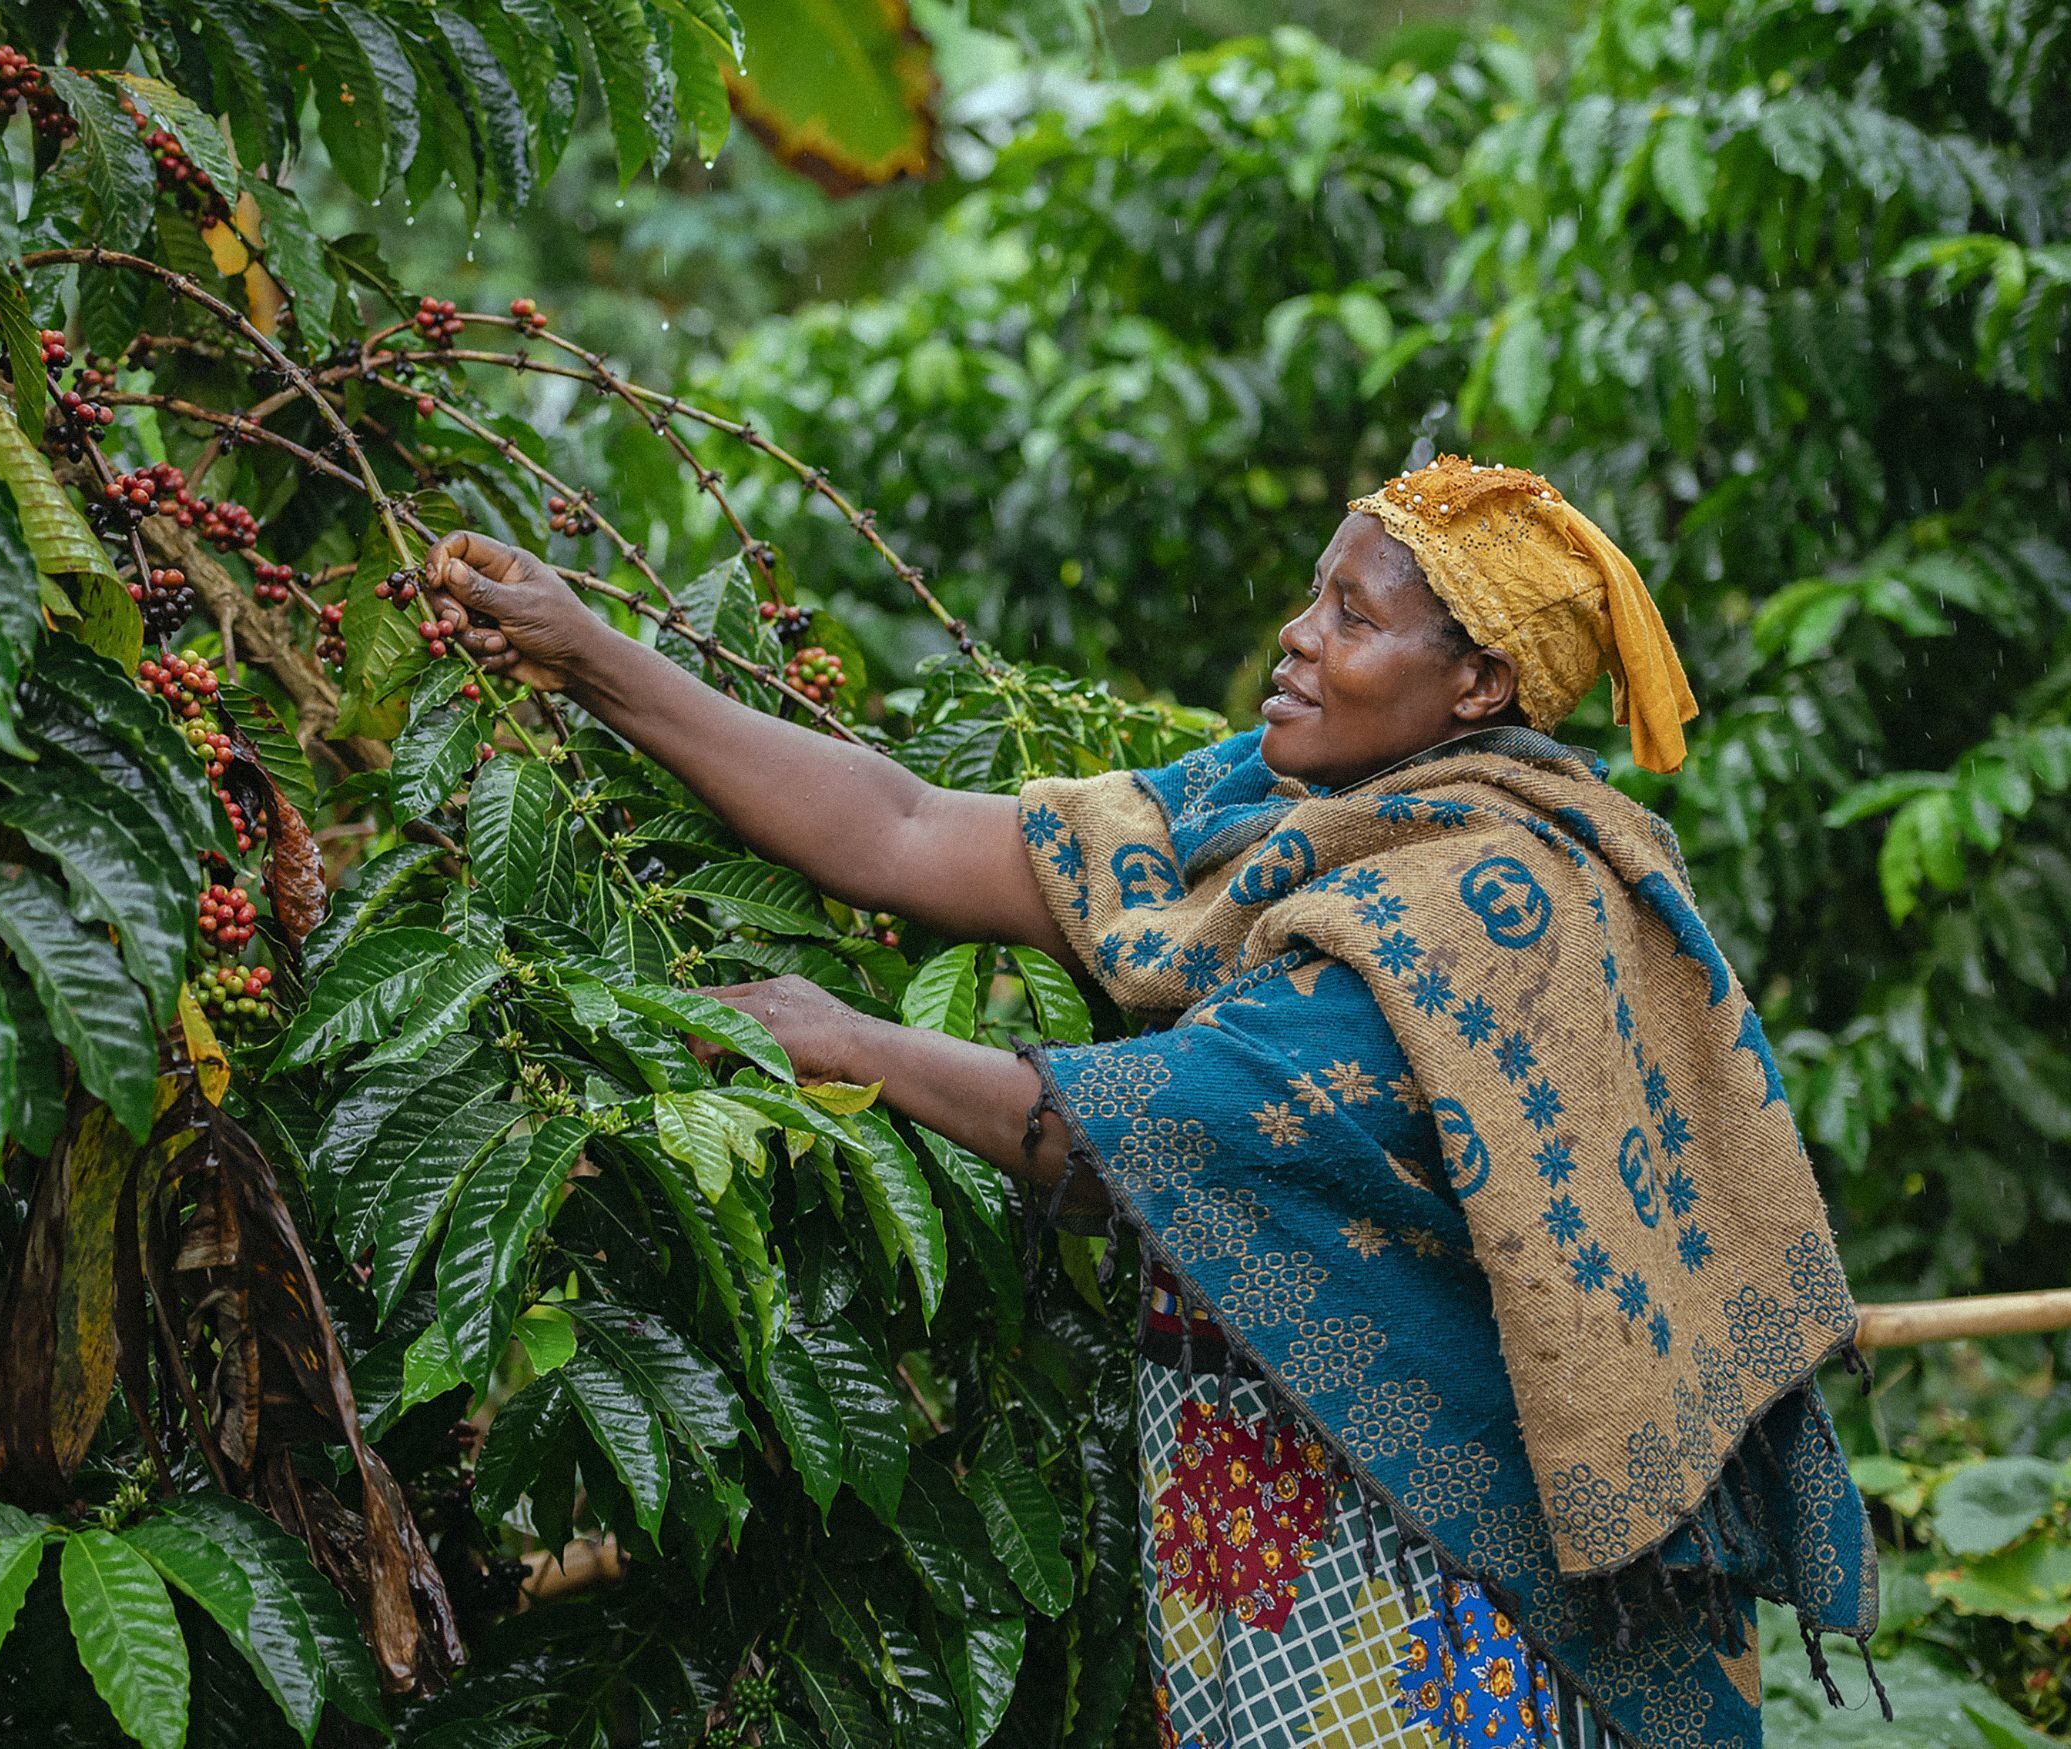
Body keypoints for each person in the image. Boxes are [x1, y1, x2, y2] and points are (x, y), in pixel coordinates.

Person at [424, 453, 1877, 1749]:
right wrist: (589, 652)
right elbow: (909, 826)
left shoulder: (1478, 907)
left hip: (1444, 1575)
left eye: (1355, 619)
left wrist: (841, 1038)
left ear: (1481, 685)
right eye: (1316, 597)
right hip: (1264, 1519)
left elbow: (1150, 1135)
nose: (1300, 640)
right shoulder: (1276, 810)